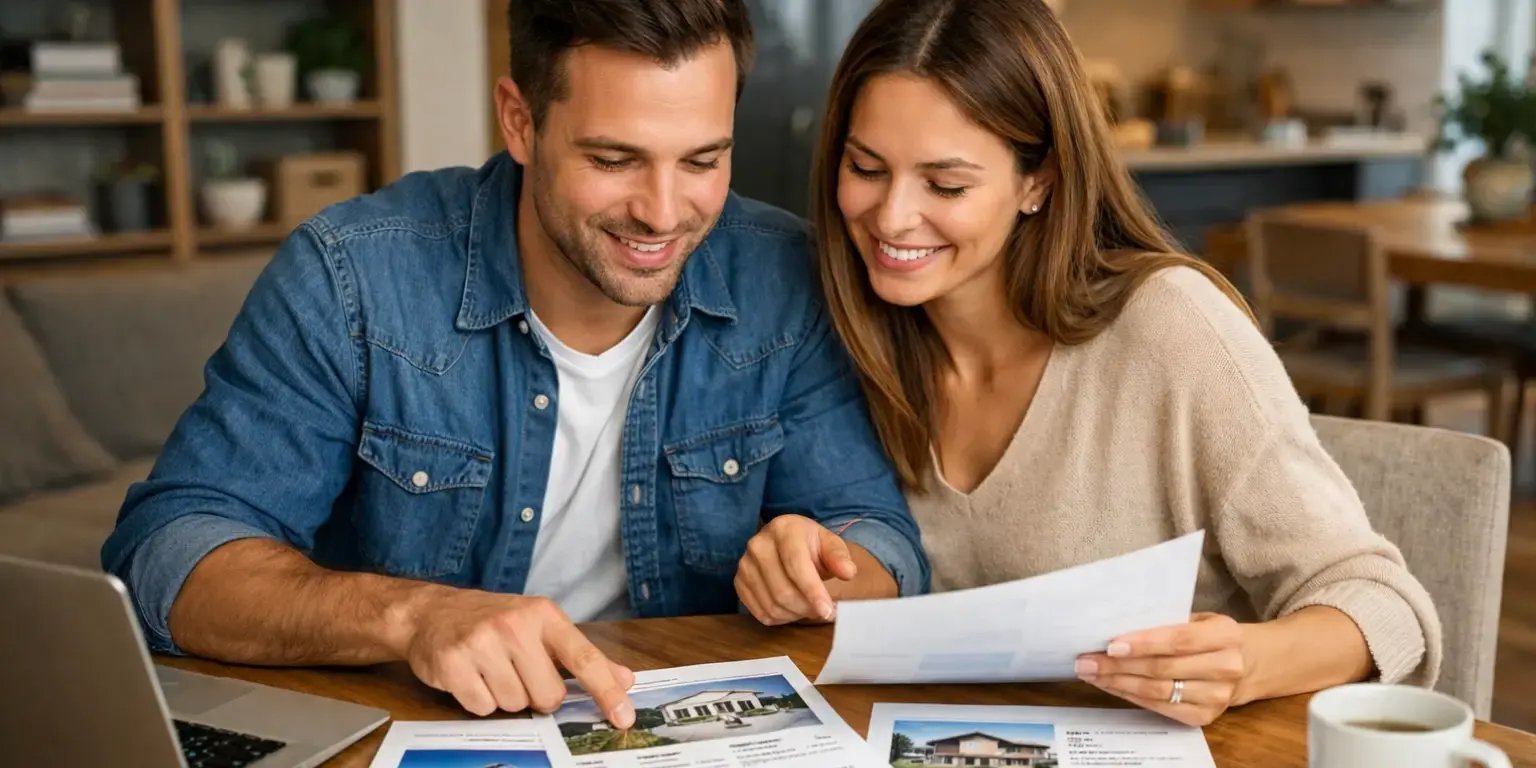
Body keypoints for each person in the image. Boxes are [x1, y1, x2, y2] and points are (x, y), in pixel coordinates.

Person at [101, 0, 928, 727]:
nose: (664, 212)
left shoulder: (785, 276)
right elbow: (169, 557)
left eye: (703, 160)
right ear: (520, 119)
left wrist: (823, 568)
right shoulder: (353, 275)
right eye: (613, 159)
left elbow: (884, 544)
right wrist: (412, 616)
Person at [789, 0, 1441, 726]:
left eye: (946, 185)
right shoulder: (850, 337)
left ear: (1039, 181)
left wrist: (1244, 662)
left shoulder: (1169, 329)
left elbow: (1382, 602)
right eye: (866, 167)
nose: (891, 217)